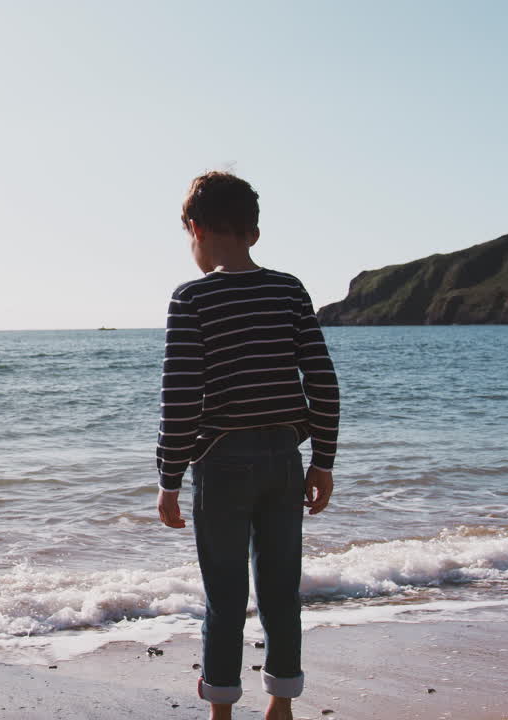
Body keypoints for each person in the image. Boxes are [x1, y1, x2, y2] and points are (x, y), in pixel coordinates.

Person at [155, 172, 339, 720]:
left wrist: (168, 479)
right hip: (285, 459)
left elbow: (181, 397)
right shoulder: (289, 290)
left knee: (225, 597)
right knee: (282, 588)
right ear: (253, 233)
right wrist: (322, 461)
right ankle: (280, 705)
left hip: (221, 464)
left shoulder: (190, 298)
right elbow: (323, 381)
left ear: (196, 229)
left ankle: (221, 710)